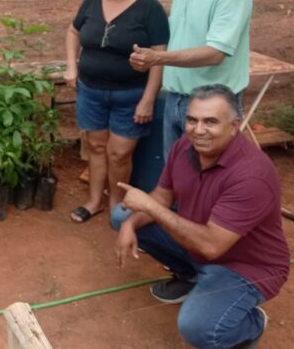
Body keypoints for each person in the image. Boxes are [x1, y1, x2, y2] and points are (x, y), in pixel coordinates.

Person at [114, 84, 290, 349]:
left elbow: (211, 246)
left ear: (234, 126)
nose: (198, 130)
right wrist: (130, 223)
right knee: (122, 216)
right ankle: (189, 277)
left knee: (198, 329)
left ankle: (251, 324)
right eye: (192, 120)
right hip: (199, 241)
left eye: (210, 122)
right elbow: (162, 197)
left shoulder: (252, 175)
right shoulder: (185, 146)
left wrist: (149, 208)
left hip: (247, 267)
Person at [129, 0, 253, 159]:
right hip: (177, 97)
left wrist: (158, 58)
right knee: (176, 173)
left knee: (206, 176)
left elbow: (215, 53)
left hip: (212, 106)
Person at [64, 0, 169, 223]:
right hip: (91, 90)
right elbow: (73, 31)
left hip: (131, 93)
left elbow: (159, 56)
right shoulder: (90, 2)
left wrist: (149, 98)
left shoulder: (150, 8)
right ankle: (94, 201)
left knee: (120, 152)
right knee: (97, 147)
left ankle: (116, 205)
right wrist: (72, 66)